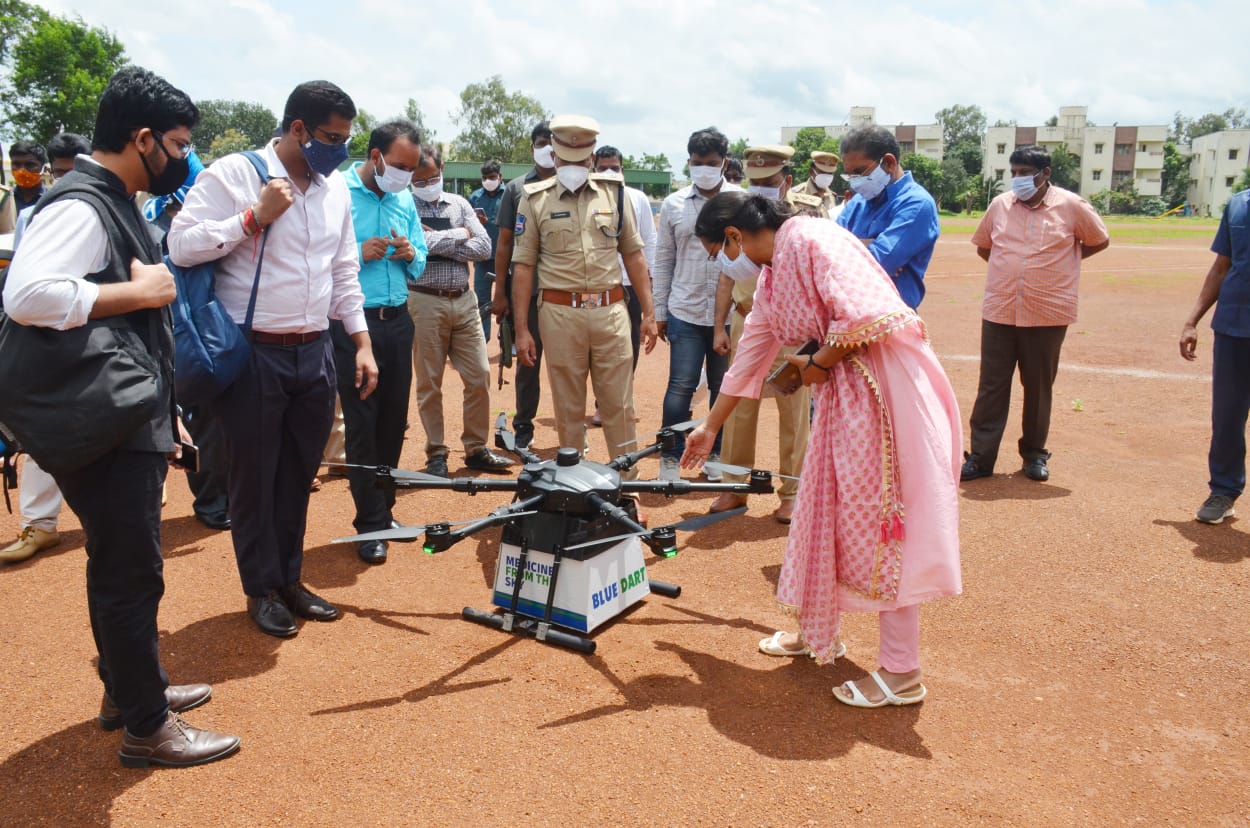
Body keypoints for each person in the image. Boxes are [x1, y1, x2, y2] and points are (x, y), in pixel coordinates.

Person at [2, 66, 239, 765]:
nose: (183, 156)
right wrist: (139, 294)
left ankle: (130, 690)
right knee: (130, 573)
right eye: (176, 142)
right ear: (141, 139)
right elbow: (27, 294)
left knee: (121, 561)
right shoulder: (81, 206)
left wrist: (168, 413)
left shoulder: (115, 199)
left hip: (123, 414)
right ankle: (146, 725)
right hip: (103, 424)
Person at [681, 190, 961, 707]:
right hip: (844, 398)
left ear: (735, 237)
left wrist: (816, 366)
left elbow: (866, 314)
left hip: (882, 395)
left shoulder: (810, 238)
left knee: (880, 524)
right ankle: (815, 629)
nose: (721, 263)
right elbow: (749, 358)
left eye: (716, 251)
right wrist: (709, 428)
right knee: (821, 510)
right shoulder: (770, 275)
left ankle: (902, 673)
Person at [169, 80, 377, 638]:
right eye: (331, 137)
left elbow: (343, 272)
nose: (338, 149)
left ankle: (289, 578)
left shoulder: (333, 190)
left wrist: (360, 340)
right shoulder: (235, 174)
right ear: (298, 129)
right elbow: (181, 245)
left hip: (314, 351)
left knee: (298, 475)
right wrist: (252, 218)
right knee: (255, 479)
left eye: (346, 140)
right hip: (253, 351)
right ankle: (259, 589)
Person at [511, 114, 658, 472]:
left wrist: (650, 312)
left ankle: (628, 485)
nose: (574, 165)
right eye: (568, 158)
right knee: (568, 405)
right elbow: (524, 267)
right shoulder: (534, 200)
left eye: (582, 159)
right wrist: (521, 329)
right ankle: (575, 487)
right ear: (556, 158)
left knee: (619, 404)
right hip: (560, 315)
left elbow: (634, 255)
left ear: (590, 158)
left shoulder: (615, 193)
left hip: (611, 311)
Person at [961, 144, 1109, 483]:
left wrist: (1063, 263)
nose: (1017, 179)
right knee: (991, 387)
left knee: (1038, 387)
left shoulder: (1071, 206)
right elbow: (985, 246)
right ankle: (981, 459)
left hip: (1047, 312)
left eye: (1025, 173)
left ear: (1045, 174)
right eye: (1013, 172)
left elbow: (1099, 240)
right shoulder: (999, 206)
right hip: (1000, 310)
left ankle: (1034, 455)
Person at [0, 132, 93, 564]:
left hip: (98, 337)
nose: (65, 181)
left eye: (73, 172)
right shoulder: (31, 216)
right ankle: (40, 525)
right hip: (48, 336)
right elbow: (24, 284)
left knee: (115, 422)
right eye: (58, 173)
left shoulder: (110, 210)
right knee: (41, 428)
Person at [341, 119, 428, 563]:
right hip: (356, 327)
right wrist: (360, 252)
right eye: (399, 166)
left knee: (393, 421)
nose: (405, 177)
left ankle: (385, 510)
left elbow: (421, 255)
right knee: (363, 425)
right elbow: (318, 257)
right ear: (374, 155)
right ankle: (369, 523)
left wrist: (410, 253)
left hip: (398, 322)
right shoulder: (337, 194)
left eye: (412, 169)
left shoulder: (402, 199)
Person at [709, 145, 809, 523]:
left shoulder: (804, 218)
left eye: (769, 182)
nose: (761, 189)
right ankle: (734, 487)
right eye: (755, 182)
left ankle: (793, 492)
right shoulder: (737, 216)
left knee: (794, 412)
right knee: (737, 404)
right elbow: (726, 276)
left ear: (787, 179)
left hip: (793, 329)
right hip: (746, 319)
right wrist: (719, 325)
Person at [408, 143, 511, 478]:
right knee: (429, 382)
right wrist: (459, 236)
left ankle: (476, 447)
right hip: (424, 299)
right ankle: (436, 453)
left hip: (463, 300)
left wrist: (436, 241)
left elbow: (483, 247)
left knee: (479, 374)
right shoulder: (404, 205)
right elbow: (412, 247)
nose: (427, 184)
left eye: (432, 176)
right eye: (419, 179)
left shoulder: (460, 203)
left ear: (443, 169)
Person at [652, 127, 735, 481]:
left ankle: (715, 458)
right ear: (689, 162)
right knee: (680, 386)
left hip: (729, 314)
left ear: (724, 163)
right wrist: (658, 312)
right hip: (684, 308)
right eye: (697, 163)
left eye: (712, 163)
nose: (704, 169)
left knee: (724, 388)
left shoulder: (740, 202)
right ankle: (670, 460)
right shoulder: (673, 204)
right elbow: (663, 260)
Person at [1180, 188, 1250, 524]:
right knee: (1226, 417)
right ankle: (1224, 490)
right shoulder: (1237, 205)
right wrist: (1192, 320)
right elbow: (1221, 266)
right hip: (1234, 327)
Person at [492, 120, 555, 449]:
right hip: (526, 295)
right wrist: (500, 292)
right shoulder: (516, 189)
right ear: (532, 147)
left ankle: (571, 429)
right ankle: (524, 429)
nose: (548, 148)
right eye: (542, 141)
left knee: (569, 366)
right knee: (527, 364)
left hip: (564, 293)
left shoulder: (571, 186)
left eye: (553, 142)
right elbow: (504, 243)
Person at [836, 126, 939, 310]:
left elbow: (878, 264)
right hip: (848, 316)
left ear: (889, 163)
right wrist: (866, 249)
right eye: (850, 174)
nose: (854, 181)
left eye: (860, 172)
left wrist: (852, 250)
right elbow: (826, 248)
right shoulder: (858, 203)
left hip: (891, 320)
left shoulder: (917, 204)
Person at [592, 145, 657, 374]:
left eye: (614, 168)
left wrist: (651, 284)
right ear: (593, 167)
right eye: (602, 168)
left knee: (631, 339)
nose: (609, 173)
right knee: (601, 342)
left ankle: (623, 393)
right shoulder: (586, 199)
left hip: (631, 282)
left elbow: (649, 241)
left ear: (623, 169)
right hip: (600, 284)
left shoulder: (637, 198)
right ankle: (604, 398)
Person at [469, 159, 504, 338]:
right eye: (484, 177)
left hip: (505, 258)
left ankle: (509, 340)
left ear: (500, 176)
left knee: (508, 300)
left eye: (491, 177)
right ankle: (483, 339)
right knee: (481, 300)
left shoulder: (509, 195)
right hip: (482, 259)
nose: (488, 180)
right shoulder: (475, 197)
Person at [0, 140, 47, 233]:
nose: (22, 170)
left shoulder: (52, 200)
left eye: (29, 165)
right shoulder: (4, 199)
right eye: (16, 164)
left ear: (43, 168)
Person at [790, 150, 839, 217]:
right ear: (811, 172)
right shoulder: (796, 194)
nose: (826, 176)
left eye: (830, 173)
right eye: (822, 172)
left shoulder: (832, 196)